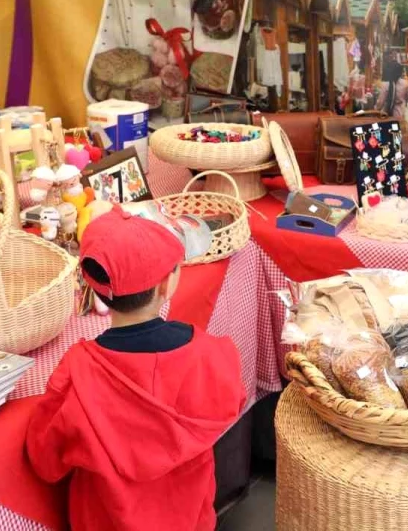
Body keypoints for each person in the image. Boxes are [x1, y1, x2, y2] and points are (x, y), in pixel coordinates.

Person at [26, 210, 246, 531]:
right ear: (167, 284)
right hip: (188, 519)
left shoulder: (77, 372)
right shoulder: (212, 355)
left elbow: (45, 462)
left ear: (97, 287)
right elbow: (232, 399)